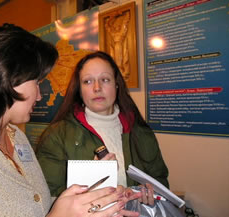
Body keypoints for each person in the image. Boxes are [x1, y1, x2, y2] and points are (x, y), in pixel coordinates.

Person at [0, 25, 140, 217]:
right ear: (7, 77)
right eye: (36, 83)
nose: (39, 96)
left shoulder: (16, 136)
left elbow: (38, 205)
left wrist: (93, 196)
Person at [36, 51, 169, 206]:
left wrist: (149, 192)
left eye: (105, 80)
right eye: (87, 81)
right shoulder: (57, 135)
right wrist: (90, 182)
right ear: (79, 89)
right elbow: (46, 196)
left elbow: (161, 183)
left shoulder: (141, 132)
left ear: (116, 85)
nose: (97, 88)